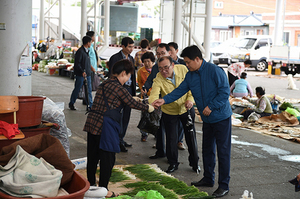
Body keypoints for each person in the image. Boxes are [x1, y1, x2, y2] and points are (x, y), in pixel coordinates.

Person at [152, 45, 232, 198]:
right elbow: (180, 91)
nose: (186, 65)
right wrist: (164, 100)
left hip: (221, 118)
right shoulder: (190, 75)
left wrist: (211, 106)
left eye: (188, 62)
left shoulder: (215, 71)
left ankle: (224, 185)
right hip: (207, 119)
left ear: (197, 59)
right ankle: (208, 178)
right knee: (207, 150)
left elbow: (224, 92)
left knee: (223, 152)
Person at [83, 59, 154, 197]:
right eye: (128, 75)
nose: (128, 79)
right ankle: (104, 190)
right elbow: (132, 103)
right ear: (123, 73)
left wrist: (133, 98)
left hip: (92, 124)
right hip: (105, 127)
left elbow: (117, 99)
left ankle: (90, 186)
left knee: (92, 158)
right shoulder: (119, 88)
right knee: (108, 159)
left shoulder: (104, 84)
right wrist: (148, 107)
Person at [148, 56, 200, 174]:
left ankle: (195, 163)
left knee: (191, 137)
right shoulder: (159, 78)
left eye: (166, 67)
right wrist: (153, 103)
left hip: (186, 109)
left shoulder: (183, 69)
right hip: (170, 111)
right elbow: (154, 93)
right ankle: (173, 163)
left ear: (172, 65)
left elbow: (192, 86)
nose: (163, 71)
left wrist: (190, 99)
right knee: (171, 138)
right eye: (160, 68)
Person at [143, 43, 186, 158]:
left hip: (182, 104)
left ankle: (179, 141)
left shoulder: (181, 66)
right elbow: (152, 80)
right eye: (157, 54)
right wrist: (147, 90)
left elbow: (189, 87)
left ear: (169, 53)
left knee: (180, 127)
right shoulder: (157, 67)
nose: (159, 56)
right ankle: (161, 151)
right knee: (160, 127)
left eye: (162, 53)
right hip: (162, 102)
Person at [108, 37, 136, 152]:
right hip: (119, 90)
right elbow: (112, 75)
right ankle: (117, 140)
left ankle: (121, 138)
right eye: (129, 46)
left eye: (132, 46)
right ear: (123, 46)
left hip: (129, 90)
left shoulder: (132, 59)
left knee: (126, 116)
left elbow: (133, 76)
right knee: (118, 115)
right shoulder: (115, 58)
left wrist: (135, 91)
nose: (131, 49)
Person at [69, 36, 93, 110]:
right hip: (81, 75)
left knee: (89, 90)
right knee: (77, 89)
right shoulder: (80, 51)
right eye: (91, 42)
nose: (91, 44)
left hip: (87, 74)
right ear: (88, 43)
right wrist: (82, 71)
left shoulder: (86, 51)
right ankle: (71, 103)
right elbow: (77, 64)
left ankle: (90, 105)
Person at [137, 51, 155, 142]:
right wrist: (142, 89)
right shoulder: (141, 71)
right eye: (145, 61)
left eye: (148, 61)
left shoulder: (157, 70)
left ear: (152, 61)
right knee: (144, 115)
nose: (147, 64)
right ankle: (144, 134)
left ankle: (156, 133)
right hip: (145, 96)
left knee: (156, 115)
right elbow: (139, 82)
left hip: (156, 96)